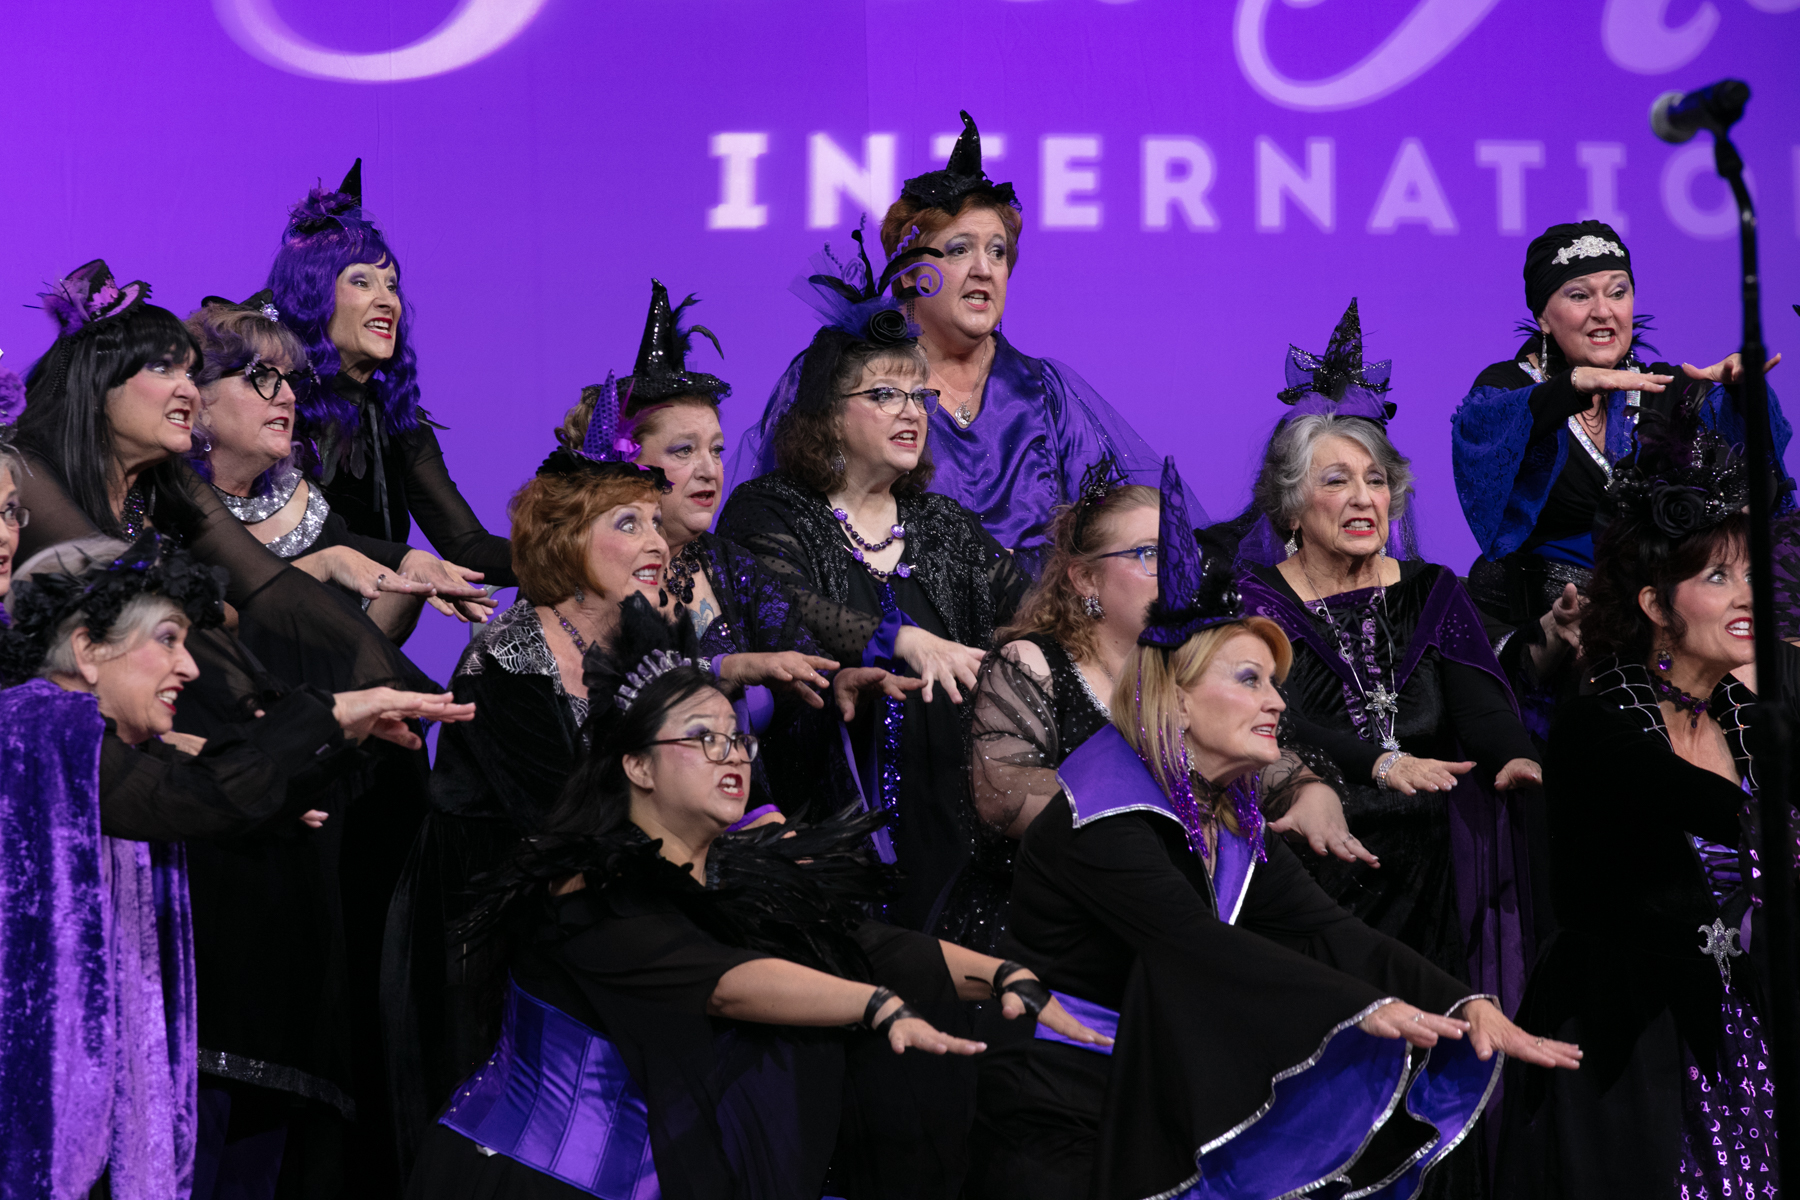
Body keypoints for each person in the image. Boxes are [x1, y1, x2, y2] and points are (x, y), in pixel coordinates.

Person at [969, 458, 1579, 1200]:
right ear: (1178, 700)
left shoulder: (1224, 812)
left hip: (1147, 1083)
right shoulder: (1101, 814)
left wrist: (1463, 1003)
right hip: (1056, 1108)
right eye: (1249, 680)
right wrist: (1363, 1011)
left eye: (1274, 683)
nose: (1278, 704)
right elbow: (1195, 946)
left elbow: (1326, 929)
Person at [405, 595, 1107, 1200]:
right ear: (637, 765)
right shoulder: (585, 888)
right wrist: (874, 1006)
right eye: (702, 739)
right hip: (523, 1177)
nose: (734, 756)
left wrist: (1004, 974)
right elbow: (723, 982)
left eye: (737, 738)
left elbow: (867, 947)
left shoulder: (735, 876)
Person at [0, 534, 469, 1200]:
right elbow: (204, 799)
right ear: (87, 650)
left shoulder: (99, 742)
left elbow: (238, 795)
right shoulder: (37, 725)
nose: (189, 668)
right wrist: (333, 712)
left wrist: (346, 734)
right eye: (168, 640)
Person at [1231, 305, 1546, 1046]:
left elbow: (1480, 705)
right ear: (1290, 508)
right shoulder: (1253, 603)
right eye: (1336, 481)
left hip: (1431, 875)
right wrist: (1379, 761)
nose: (1363, 498)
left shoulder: (1434, 589)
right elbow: (1273, 725)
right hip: (1315, 862)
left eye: (1376, 480)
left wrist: (1515, 756)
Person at [1495, 403, 1786, 1198]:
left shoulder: (1749, 720)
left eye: (1751, 573)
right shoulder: (1596, 727)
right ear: (1656, 605)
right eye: (1718, 577)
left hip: (1744, 1031)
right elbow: (1688, 800)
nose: (1748, 596)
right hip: (1624, 1045)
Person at [717, 231, 1030, 932]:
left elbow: (1033, 611)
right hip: (825, 826)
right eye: (885, 394)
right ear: (829, 415)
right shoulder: (769, 510)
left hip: (956, 828)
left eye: (919, 395)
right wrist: (902, 639)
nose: (912, 411)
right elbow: (787, 610)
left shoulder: (942, 524)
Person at [728, 112, 1192, 578]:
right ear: (907, 272)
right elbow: (781, 531)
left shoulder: (1045, 393)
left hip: (1037, 615)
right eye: (959, 249)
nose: (984, 269)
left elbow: (1111, 538)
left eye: (997, 251)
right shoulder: (841, 377)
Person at [1451, 219, 1788, 725]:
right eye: (1579, 295)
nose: (1604, 311)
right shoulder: (1510, 388)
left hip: (1663, 626)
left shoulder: (1667, 387)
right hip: (1558, 629)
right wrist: (1570, 387)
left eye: (1618, 292)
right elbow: (1483, 438)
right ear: (1543, 316)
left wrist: (1741, 398)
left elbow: (1752, 496)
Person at [186, 292, 494, 644]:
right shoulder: (168, 502)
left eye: (289, 379)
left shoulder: (299, 495)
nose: (287, 396)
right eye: (261, 376)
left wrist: (413, 577)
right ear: (199, 398)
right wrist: (321, 565)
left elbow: (356, 650)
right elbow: (195, 626)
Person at [268, 160, 514, 587]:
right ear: (313, 297)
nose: (388, 301)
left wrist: (571, 559)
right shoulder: (279, 408)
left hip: (377, 620)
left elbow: (467, 545)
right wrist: (408, 559)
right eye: (362, 282)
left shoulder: (398, 421)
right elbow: (309, 545)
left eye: (392, 285)